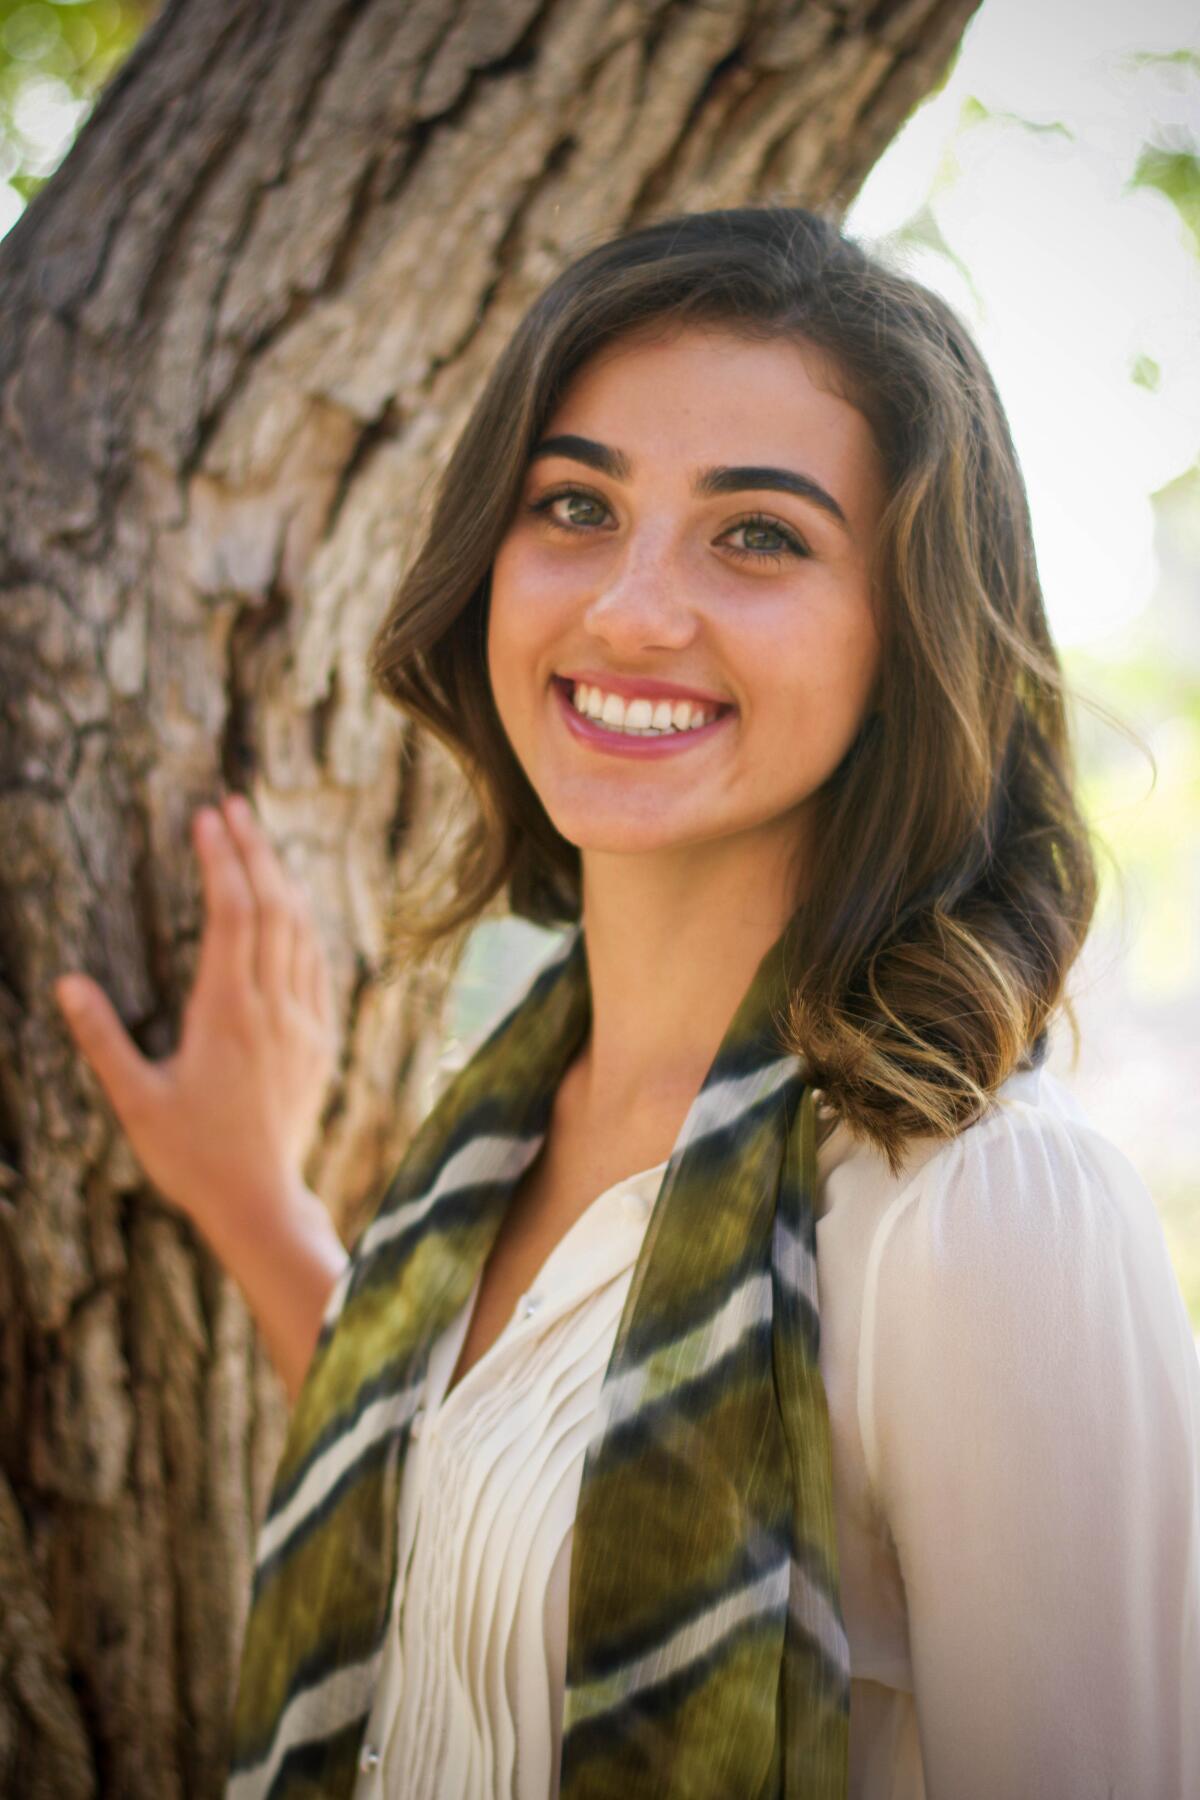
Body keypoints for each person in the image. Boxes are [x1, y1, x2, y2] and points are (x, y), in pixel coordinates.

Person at [54, 206, 1200, 1800]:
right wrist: (256, 1205)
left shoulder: (973, 1204)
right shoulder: (509, 1117)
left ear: (909, 632)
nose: (632, 608)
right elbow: (486, 1503)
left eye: (759, 536)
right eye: (577, 506)